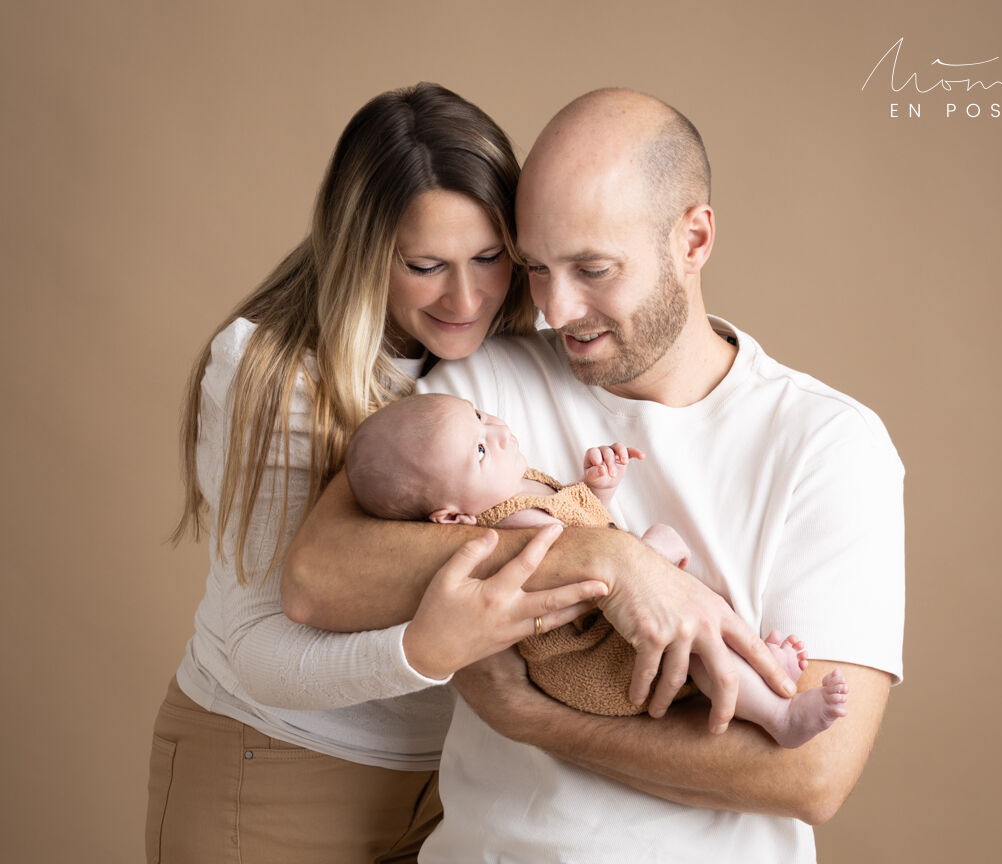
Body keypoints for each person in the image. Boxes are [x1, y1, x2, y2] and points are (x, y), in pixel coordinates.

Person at [283, 88, 904, 862]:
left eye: (593, 268)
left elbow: (812, 775)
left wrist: (534, 718)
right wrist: (606, 558)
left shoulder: (828, 444)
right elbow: (318, 575)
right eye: (536, 268)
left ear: (693, 239)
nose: (555, 309)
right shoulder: (484, 389)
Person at [145, 83, 614, 864]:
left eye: (490, 258)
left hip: (455, 787)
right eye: (425, 265)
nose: (467, 297)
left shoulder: (513, 351)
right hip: (273, 765)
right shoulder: (273, 371)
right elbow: (259, 649)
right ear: (362, 253)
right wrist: (424, 649)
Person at [345, 391, 850, 746]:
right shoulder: (505, 526)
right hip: (593, 655)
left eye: (479, 416)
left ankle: (755, 667)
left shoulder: (516, 482)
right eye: (479, 449)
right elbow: (584, 576)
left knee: (696, 621)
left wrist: (597, 489)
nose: (495, 431)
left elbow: (579, 522)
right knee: (693, 646)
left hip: (610, 623)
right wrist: (648, 555)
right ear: (453, 518)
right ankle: (780, 716)